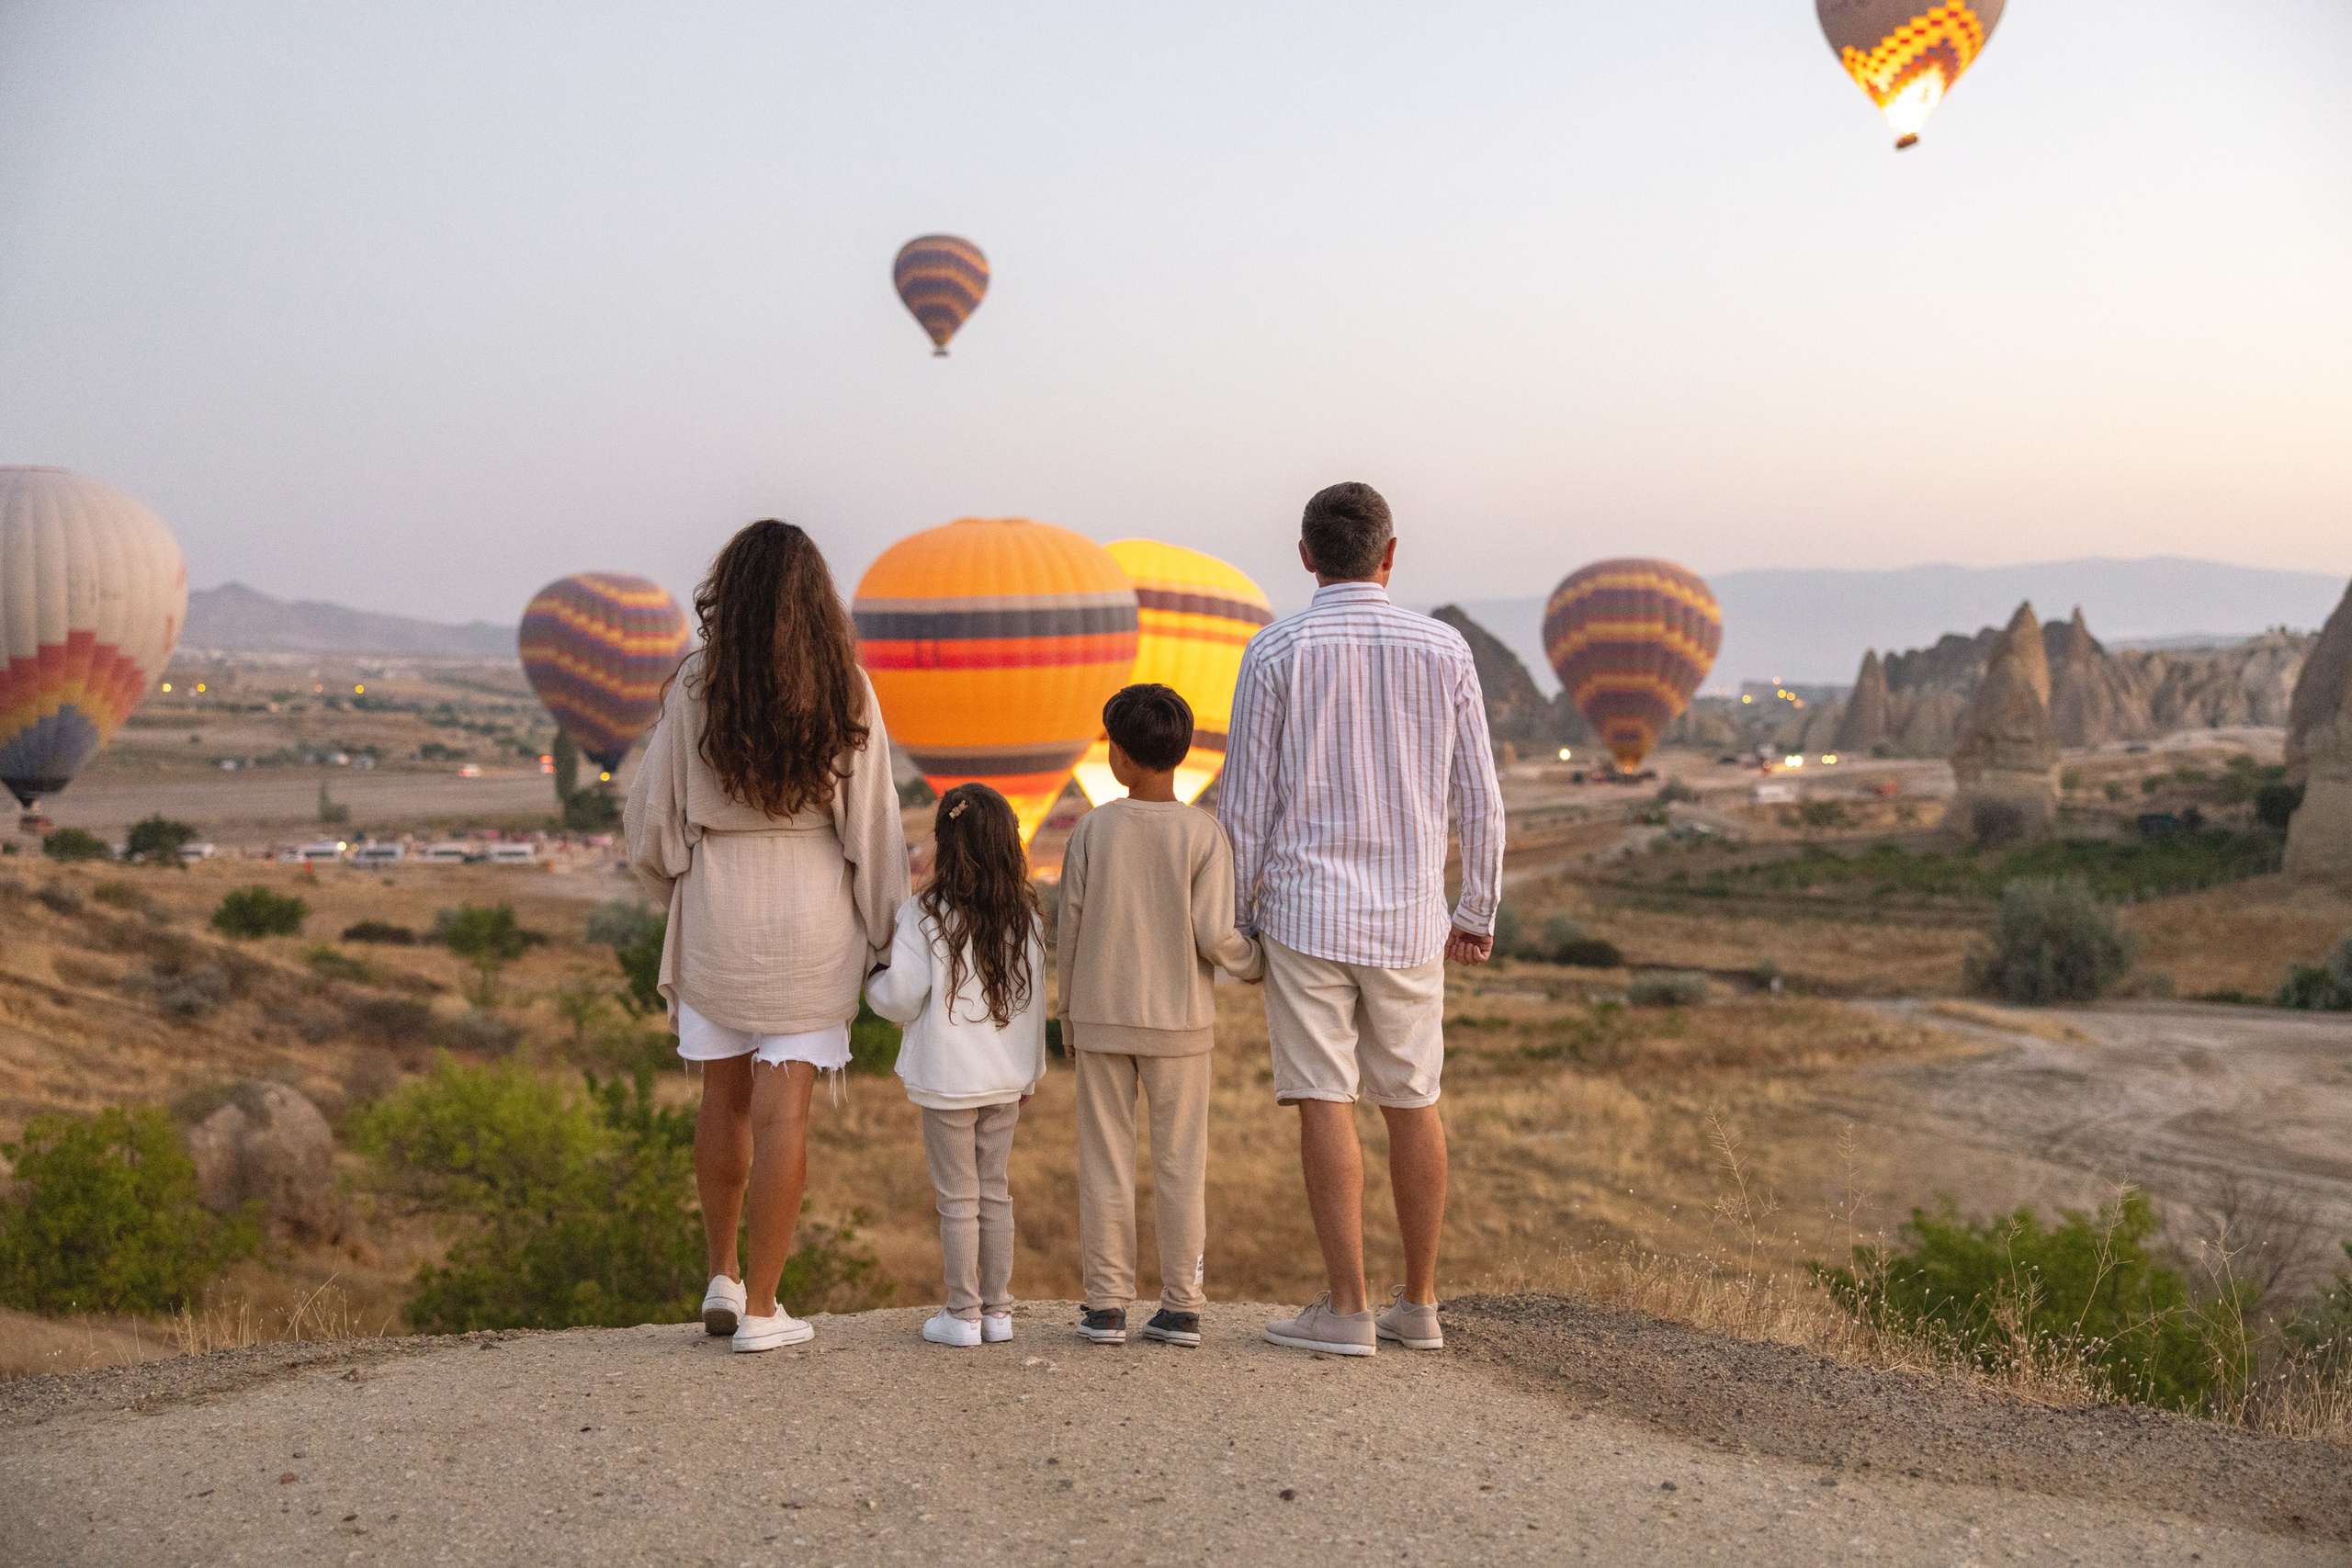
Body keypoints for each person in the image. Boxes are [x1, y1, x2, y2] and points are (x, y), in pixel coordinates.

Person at [1220, 481, 1505, 1357]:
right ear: (1390, 554)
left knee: (1323, 1098)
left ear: (1306, 555)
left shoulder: (1276, 651)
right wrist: (1476, 910)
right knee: (1413, 1101)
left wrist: (1238, 923)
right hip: (1412, 917)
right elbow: (1481, 801)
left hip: (1305, 913)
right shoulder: (1444, 648)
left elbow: (1243, 806)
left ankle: (1347, 1307)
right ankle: (1418, 1302)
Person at [624, 519, 909, 1354]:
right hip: (813, 917)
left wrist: (680, 884)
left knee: (724, 1099)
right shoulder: (847, 689)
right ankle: (763, 1311)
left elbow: (653, 825)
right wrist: (889, 935)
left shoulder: (694, 689)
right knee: (786, 1113)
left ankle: (721, 1272)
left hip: (720, 911)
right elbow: (874, 829)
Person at [1056, 683, 1262, 1348]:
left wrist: (1068, 1016)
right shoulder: (1205, 834)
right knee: (1180, 1164)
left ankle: (1106, 1306)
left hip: (1102, 1017)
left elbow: (1070, 927)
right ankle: (1182, 1306)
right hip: (1181, 1025)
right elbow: (1213, 933)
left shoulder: (1092, 829)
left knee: (1106, 1161)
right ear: (1180, 753)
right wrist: (1257, 961)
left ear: (1118, 756)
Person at [866, 784, 1049, 1348]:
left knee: (957, 1198)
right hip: (1005, 1080)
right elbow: (1036, 1004)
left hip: (948, 1080)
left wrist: (871, 984)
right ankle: (998, 1311)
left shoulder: (924, 913)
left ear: (946, 844)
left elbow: (900, 996)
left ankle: (962, 1313)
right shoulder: (1027, 916)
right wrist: (1032, 1074)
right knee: (995, 1192)